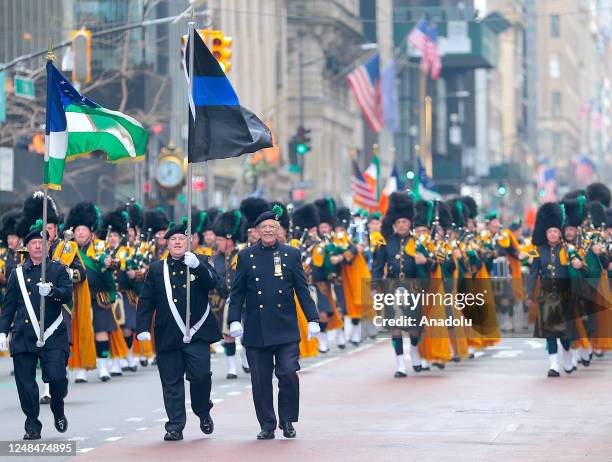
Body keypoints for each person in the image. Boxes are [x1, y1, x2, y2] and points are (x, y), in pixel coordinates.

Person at [228, 206, 320, 440]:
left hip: (286, 328)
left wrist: (312, 319)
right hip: (256, 328)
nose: (268, 231)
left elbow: (301, 289)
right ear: (257, 232)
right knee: (260, 381)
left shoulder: (291, 254)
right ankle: (267, 424)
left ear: (279, 231)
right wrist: (233, 320)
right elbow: (237, 293)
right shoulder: (246, 256)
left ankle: (287, 420)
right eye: (264, 228)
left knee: (288, 373)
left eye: (272, 227)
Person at [136, 222, 221, 442]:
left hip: (197, 333)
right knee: (171, 383)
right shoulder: (156, 269)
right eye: (173, 239)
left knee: (201, 377)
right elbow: (146, 301)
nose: (177, 242)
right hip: (168, 333)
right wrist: (143, 327)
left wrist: (198, 268)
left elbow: (218, 286)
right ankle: (175, 426)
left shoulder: (200, 260)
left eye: (182, 239)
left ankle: (203, 411)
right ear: (167, 243)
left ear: (189, 241)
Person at [0, 222, 72, 439]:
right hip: (23, 334)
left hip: (52, 334)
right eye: (34, 243)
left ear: (49, 246)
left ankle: (57, 408)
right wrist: (3, 332)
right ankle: (32, 424)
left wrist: (52, 291)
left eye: (43, 243)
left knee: (57, 378)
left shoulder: (58, 270)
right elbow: (9, 306)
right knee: (26, 385)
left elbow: (67, 296)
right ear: (27, 247)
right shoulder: (17, 273)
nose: (38, 247)